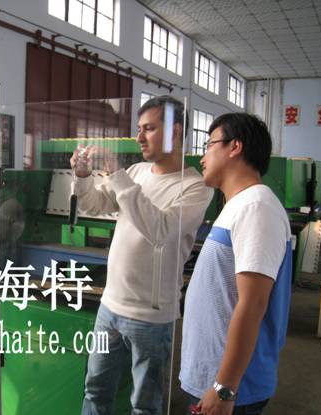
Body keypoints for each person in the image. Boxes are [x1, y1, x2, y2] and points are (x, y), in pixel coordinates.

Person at [71, 95, 213, 415]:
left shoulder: (195, 187)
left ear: (174, 131)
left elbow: (159, 231)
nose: (139, 137)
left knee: (145, 405)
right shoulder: (136, 172)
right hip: (110, 306)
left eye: (148, 128)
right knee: (95, 390)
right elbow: (93, 205)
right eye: (139, 129)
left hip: (151, 317)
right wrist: (82, 177)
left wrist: (115, 172)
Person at [179, 113, 292, 415]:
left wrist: (224, 388)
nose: (203, 156)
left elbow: (253, 303)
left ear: (235, 147)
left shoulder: (257, 207)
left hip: (232, 389)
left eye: (209, 145)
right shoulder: (239, 205)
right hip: (211, 378)